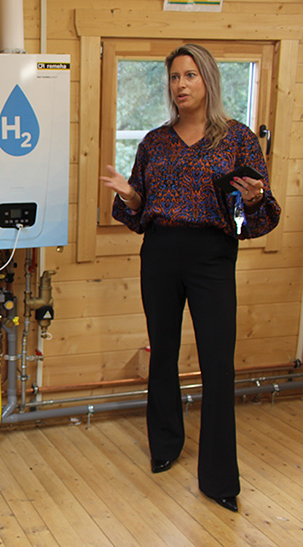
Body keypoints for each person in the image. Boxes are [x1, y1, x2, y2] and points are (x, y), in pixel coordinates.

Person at [101, 43, 280, 513]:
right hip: (160, 250)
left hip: (211, 256)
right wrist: (132, 198)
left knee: (217, 363)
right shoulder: (155, 143)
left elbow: (255, 218)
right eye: (174, 78)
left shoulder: (238, 139)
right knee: (162, 351)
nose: (180, 85)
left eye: (189, 76)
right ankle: (165, 446)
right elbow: (137, 212)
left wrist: (257, 197)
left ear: (208, 81)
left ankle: (220, 478)